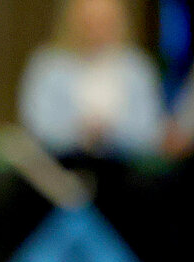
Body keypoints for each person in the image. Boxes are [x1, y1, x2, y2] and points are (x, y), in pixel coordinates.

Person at [18, 0, 164, 162]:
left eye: (105, 21)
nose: (96, 29)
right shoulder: (48, 65)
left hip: (127, 172)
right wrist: (79, 133)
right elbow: (37, 127)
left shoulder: (137, 68)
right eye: (88, 21)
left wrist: (110, 133)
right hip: (62, 168)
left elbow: (150, 131)